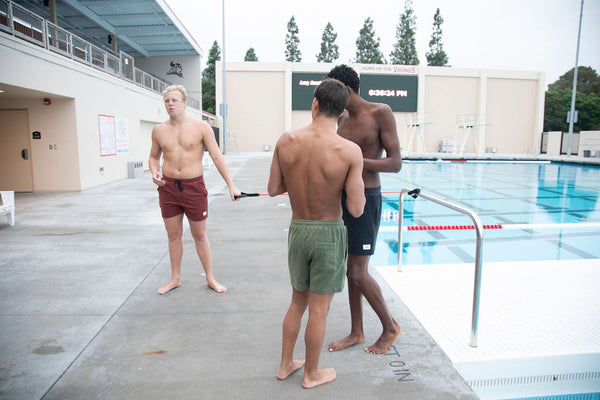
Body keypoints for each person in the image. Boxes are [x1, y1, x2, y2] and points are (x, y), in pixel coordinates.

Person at [268, 78, 365, 389]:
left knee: (297, 302)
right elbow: (357, 208)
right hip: (328, 232)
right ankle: (311, 373)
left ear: (314, 103)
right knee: (319, 310)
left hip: (298, 229)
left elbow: (273, 189)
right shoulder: (349, 151)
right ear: (341, 112)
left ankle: (286, 364)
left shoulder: (286, 141)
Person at [326, 64, 403, 355]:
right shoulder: (341, 118)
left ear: (346, 90)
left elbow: (395, 163)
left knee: (359, 272)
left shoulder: (380, 112)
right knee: (351, 270)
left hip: (367, 198)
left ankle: (390, 327)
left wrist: (357, 161)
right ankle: (356, 332)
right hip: (343, 198)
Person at [149, 85, 241, 295]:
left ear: (184, 102)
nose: (169, 104)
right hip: (168, 187)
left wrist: (231, 186)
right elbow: (154, 157)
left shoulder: (201, 128)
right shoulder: (158, 130)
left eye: (173, 100)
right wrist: (154, 172)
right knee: (173, 235)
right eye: (166, 101)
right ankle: (175, 278)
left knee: (200, 236)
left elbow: (217, 157)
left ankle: (210, 277)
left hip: (194, 187)